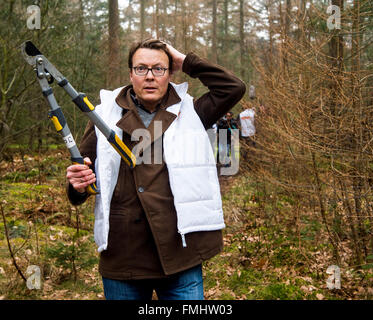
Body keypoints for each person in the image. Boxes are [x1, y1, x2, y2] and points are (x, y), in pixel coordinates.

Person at [66, 39, 245, 300]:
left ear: (170, 73)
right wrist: (77, 185)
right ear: (130, 74)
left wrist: (186, 61)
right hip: (123, 255)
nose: (150, 76)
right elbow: (83, 176)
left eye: (158, 69)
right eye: (141, 69)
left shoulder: (192, 111)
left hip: (179, 254)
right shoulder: (103, 115)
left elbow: (233, 87)